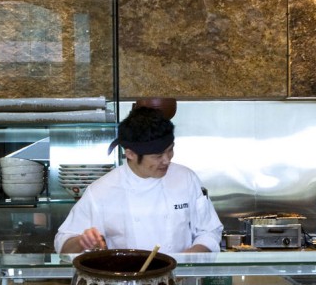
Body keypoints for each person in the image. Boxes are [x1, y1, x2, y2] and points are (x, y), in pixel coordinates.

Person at [54, 105, 223, 254]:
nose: (167, 160)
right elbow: (63, 244)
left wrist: (190, 258)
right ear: (130, 154)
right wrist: (81, 241)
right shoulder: (102, 191)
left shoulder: (186, 178)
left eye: (170, 150)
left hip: (180, 283)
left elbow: (209, 231)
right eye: (157, 155)